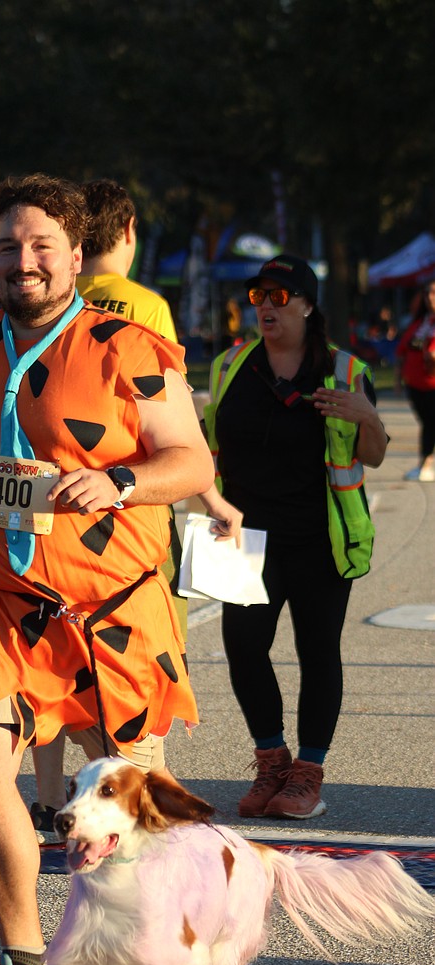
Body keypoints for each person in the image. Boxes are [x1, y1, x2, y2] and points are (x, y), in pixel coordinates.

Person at [0, 173, 215, 965]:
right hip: (0, 607)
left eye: (42, 245)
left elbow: (191, 463)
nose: (24, 260)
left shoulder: (128, 347)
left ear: (77, 255)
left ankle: (177, 954)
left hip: (110, 613)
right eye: (9, 246)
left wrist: (120, 480)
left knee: (134, 817)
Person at [199, 254, 388, 820]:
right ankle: (272, 762)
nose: (265, 307)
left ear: (307, 305)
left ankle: (308, 773)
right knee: (244, 647)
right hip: (244, 535)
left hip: (318, 537)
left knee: (317, 651)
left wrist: (367, 418)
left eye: (279, 298)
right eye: (258, 296)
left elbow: (372, 457)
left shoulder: (345, 372)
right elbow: (210, 443)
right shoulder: (231, 365)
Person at [30, 177, 185, 843]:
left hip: (39, 512)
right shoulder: (145, 309)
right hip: (118, 513)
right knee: (137, 660)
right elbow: (168, 423)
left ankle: (46, 798)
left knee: (46, 657)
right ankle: (143, 784)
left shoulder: (47, 302)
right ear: (127, 233)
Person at [394, 278, 435, 482]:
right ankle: (425, 462)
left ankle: (425, 463)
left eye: (434, 293)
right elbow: (402, 350)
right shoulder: (419, 322)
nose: (430, 297)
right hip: (415, 384)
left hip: (433, 384)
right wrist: (397, 379)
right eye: (427, 292)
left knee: (430, 423)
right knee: (427, 422)